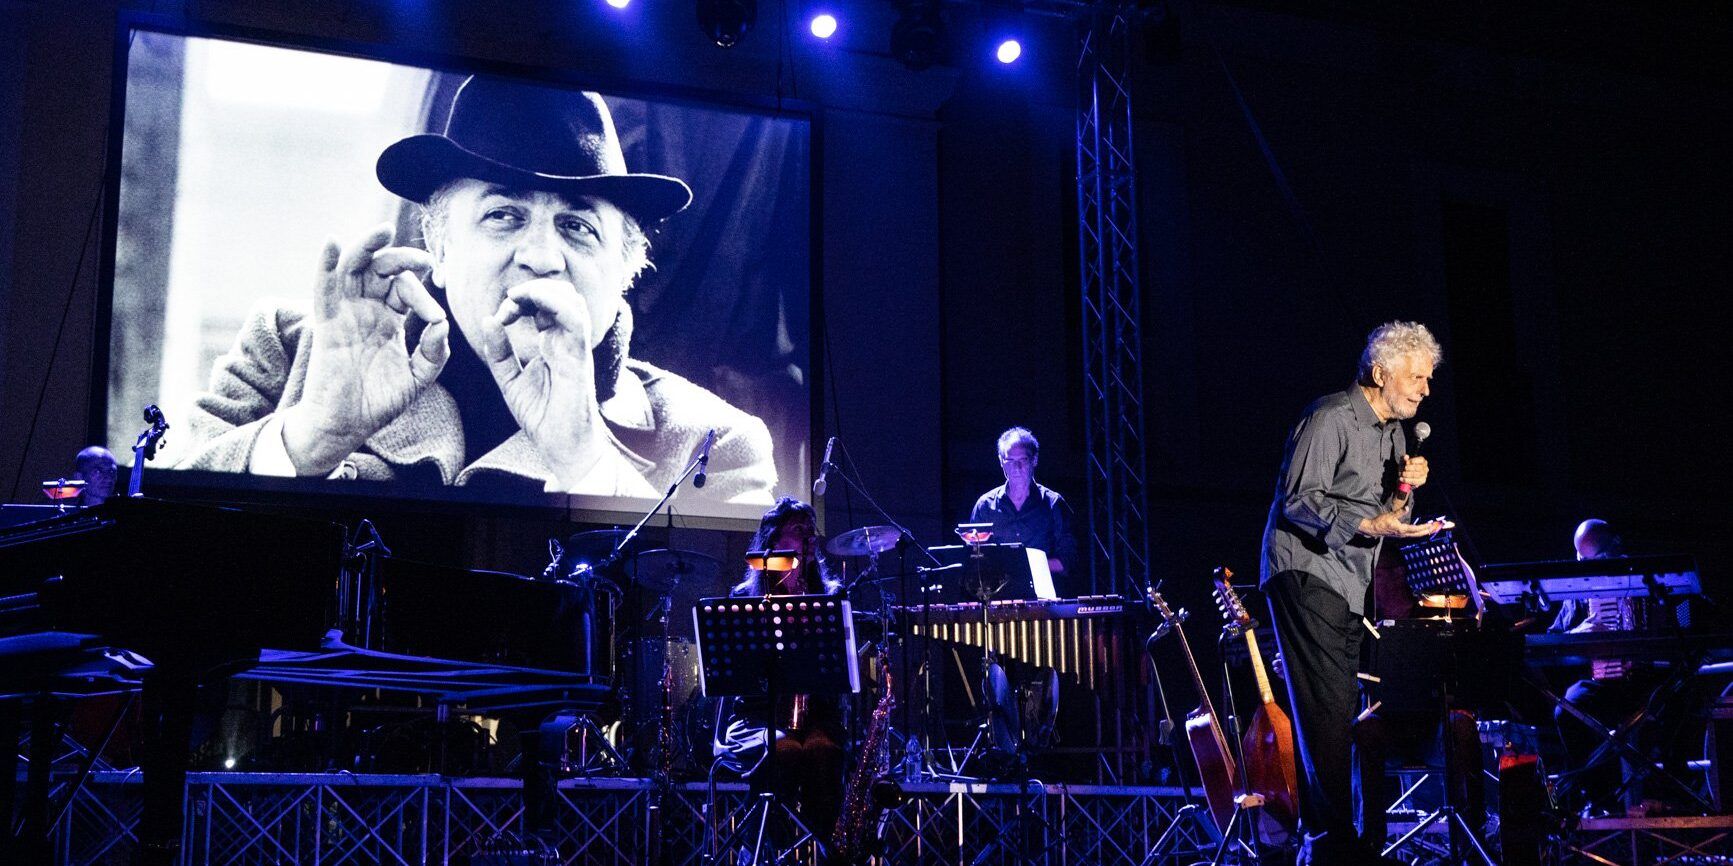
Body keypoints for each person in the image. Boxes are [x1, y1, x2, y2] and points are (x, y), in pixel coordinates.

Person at [177, 75, 776, 503]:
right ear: (437, 248)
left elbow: (712, 630)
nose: (541, 257)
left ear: (625, 270)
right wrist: (311, 438)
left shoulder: (714, 443)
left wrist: (587, 461)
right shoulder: (289, 353)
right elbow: (151, 546)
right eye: (503, 216)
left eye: (577, 226)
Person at [1260, 321, 1450, 866]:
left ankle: (1336, 842)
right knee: (1327, 710)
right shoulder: (1330, 418)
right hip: (1305, 573)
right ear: (1380, 373)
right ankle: (1335, 846)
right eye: (1417, 377)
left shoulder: (1396, 435)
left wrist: (1408, 491)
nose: (1426, 389)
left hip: (1349, 582)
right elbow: (1299, 500)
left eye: (1428, 379)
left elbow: (1390, 515)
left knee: (1342, 709)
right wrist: (1371, 525)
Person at [712, 497, 848, 839]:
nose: (809, 536)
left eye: (810, 529)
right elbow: (738, 676)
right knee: (784, 750)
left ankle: (824, 847)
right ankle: (769, 845)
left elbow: (838, 674)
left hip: (816, 715)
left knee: (823, 751)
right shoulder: (744, 597)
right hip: (758, 717)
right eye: (798, 529)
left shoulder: (831, 595)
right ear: (774, 540)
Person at [968, 427, 1077, 589]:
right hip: (997, 594)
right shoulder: (985, 506)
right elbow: (974, 559)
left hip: (1043, 595)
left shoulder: (1054, 504)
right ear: (1001, 462)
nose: (1016, 467)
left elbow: (1067, 560)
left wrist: (1023, 565)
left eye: (1023, 460)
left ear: (1034, 460)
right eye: (1010, 460)